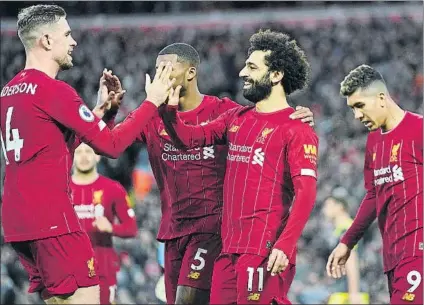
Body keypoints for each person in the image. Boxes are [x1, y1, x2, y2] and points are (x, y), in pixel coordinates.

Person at [0, 4, 176, 304]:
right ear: (46, 40)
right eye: (67, 34)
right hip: (54, 222)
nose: (74, 42)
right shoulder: (54, 91)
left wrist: (98, 113)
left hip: (18, 224)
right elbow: (112, 146)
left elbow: (53, 149)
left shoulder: (9, 92)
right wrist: (152, 101)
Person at [136, 42, 315, 304]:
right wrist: (169, 110)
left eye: (252, 67)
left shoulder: (296, 128)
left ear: (276, 75)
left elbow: (307, 192)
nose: (242, 72)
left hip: (262, 250)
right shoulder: (236, 119)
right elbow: (189, 138)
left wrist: (285, 245)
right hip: (227, 251)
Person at [326, 65, 423, 305]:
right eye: (352, 109)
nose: (356, 116)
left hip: (417, 252)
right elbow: (373, 196)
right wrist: (347, 242)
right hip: (392, 258)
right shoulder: (373, 143)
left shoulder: (419, 130)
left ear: (381, 98)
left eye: (360, 106)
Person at [71, 143, 138, 305]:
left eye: (88, 151)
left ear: (98, 155)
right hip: (69, 269)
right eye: (78, 152)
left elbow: (131, 228)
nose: (84, 156)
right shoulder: (61, 190)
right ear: (71, 157)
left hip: (104, 267)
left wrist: (110, 227)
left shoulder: (113, 189)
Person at [322, 190, 369, 304]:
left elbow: (351, 260)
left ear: (339, 207)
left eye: (328, 206)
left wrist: (354, 293)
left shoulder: (346, 230)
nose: (324, 210)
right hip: (343, 291)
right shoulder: (343, 229)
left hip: (347, 293)